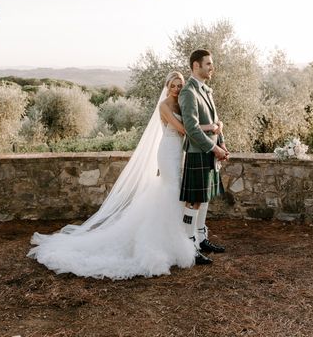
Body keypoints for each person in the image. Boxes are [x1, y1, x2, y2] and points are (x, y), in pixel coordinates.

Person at [27, 71, 217, 279]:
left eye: (179, 85)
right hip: (168, 151)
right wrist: (212, 127)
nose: (177, 88)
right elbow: (184, 129)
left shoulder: (182, 103)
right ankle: (172, 242)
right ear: (167, 86)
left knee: (174, 191)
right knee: (172, 189)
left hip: (180, 152)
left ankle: (178, 238)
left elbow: (191, 125)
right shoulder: (163, 106)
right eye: (173, 85)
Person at [179, 49, 229, 265]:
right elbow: (191, 128)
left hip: (210, 150)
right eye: (208, 64)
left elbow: (216, 121)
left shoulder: (206, 90)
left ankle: (201, 239)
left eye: (212, 63)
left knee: (204, 199)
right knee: (194, 202)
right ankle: (188, 246)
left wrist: (223, 143)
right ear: (195, 66)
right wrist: (213, 148)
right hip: (198, 153)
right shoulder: (189, 92)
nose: (212, 67)